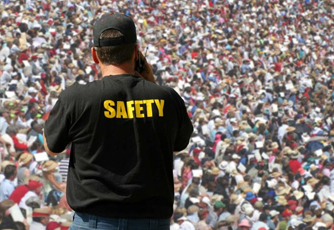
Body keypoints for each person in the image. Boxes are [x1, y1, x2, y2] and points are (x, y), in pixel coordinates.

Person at [43, 12, 193, 230]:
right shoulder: (167, 98)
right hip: (152, 223)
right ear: (135, 52)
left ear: (95, 55)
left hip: (93, 222)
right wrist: (149, 82)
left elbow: (52, 147)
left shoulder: (76, 97)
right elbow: (179, 145)